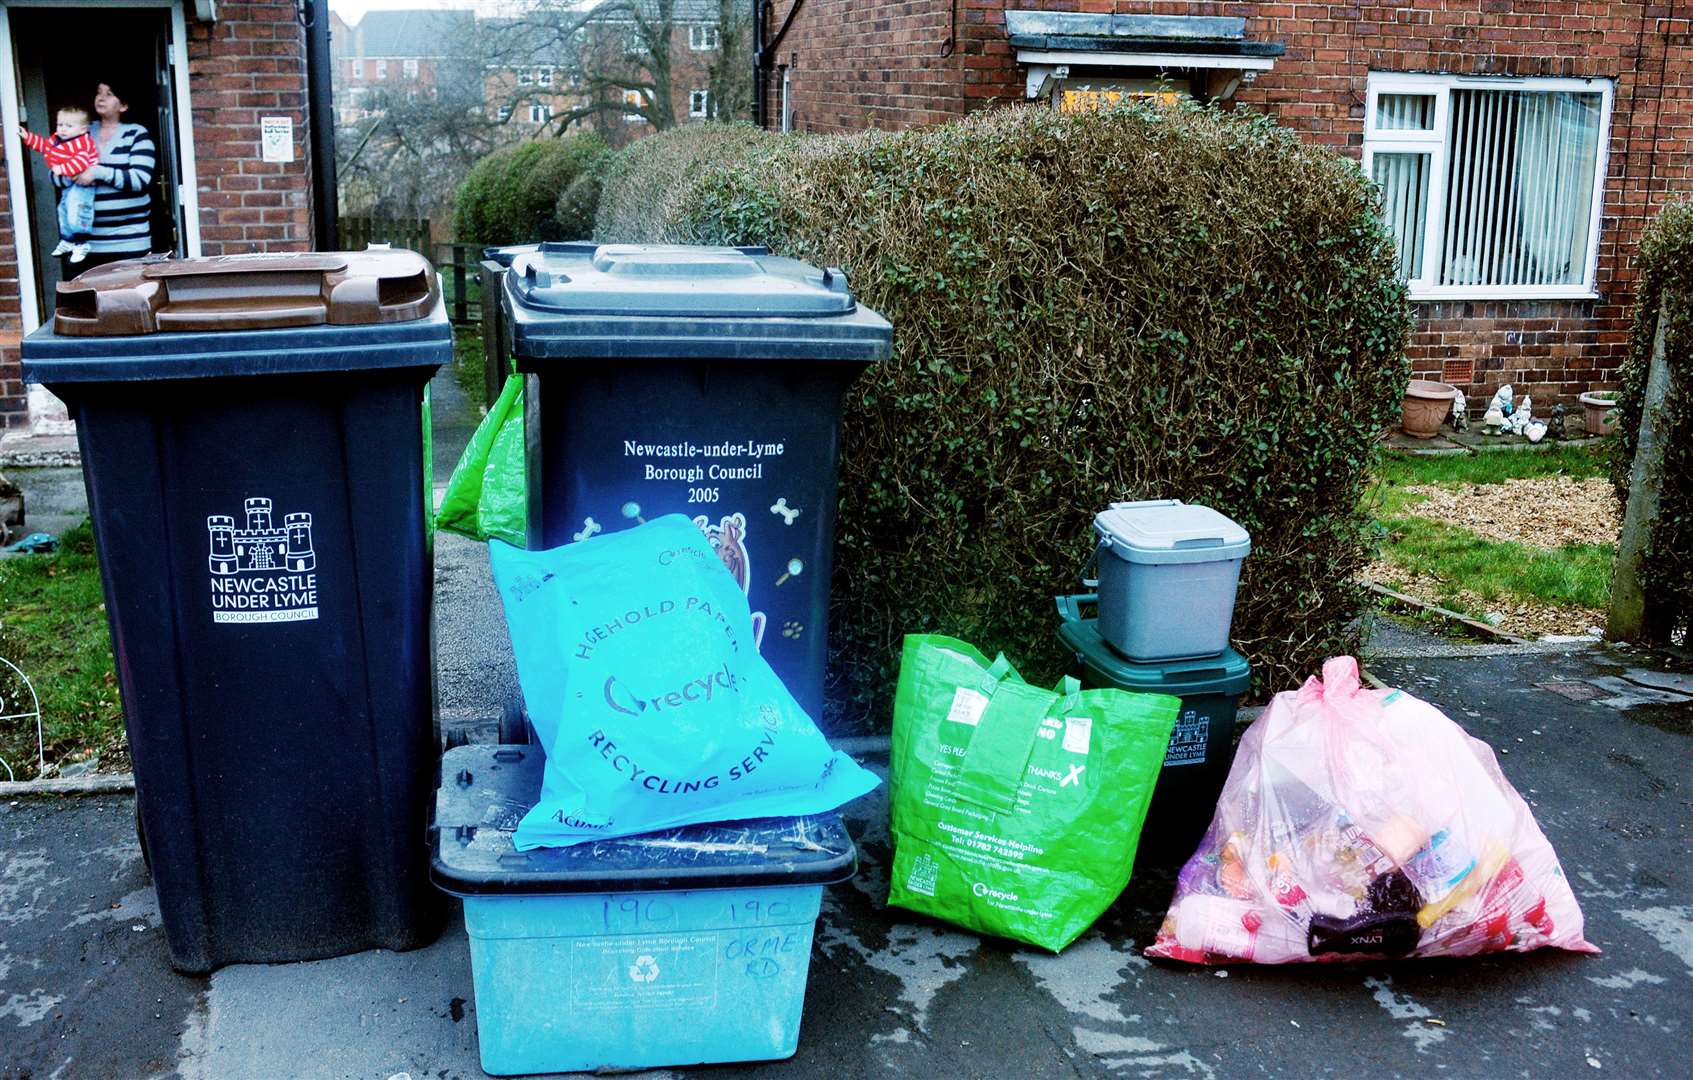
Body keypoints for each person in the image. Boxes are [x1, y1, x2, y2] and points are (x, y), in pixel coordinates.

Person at [58, 81, 155, 275]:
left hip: (129, 241)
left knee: (129, 301)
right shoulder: (80, 132)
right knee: (93, 302)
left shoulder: (136, 134)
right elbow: (55, 176)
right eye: (98, 93)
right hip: (86, 244)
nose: (101, 98)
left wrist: (96, 172)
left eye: (109, 94)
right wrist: (73, 174)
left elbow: (139, 179)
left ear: (124, 105)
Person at [17, 105, 100, 263]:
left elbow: (81, 163)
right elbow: (45, 146)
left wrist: (62, 168)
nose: (63, 129)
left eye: (69, 126)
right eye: (60, 125)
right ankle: (68, 240)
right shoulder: (58, 140)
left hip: (83, 186)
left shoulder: (82, 142)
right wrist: (27, 137)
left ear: (83, 129)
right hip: (70, 183)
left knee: (78, 210)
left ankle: (82, 243)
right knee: (63, 210)